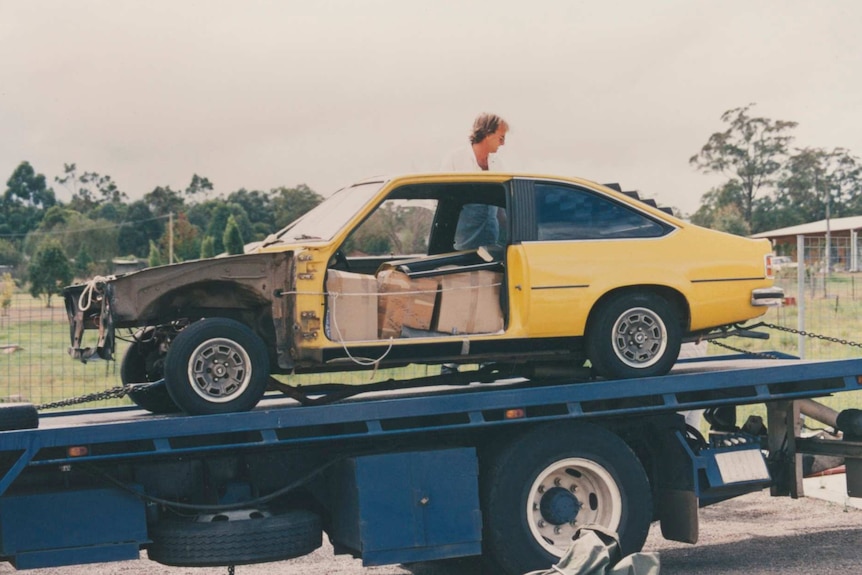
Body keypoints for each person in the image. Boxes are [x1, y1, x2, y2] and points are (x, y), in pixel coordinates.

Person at [441, 113, 509, 250]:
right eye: (501, 138)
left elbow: (501, 210)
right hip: (461, 246)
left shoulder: (498, 164)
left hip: (490, 245)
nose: (503, 143)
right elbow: (442, 205)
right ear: (488, 134)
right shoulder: (455, 159)